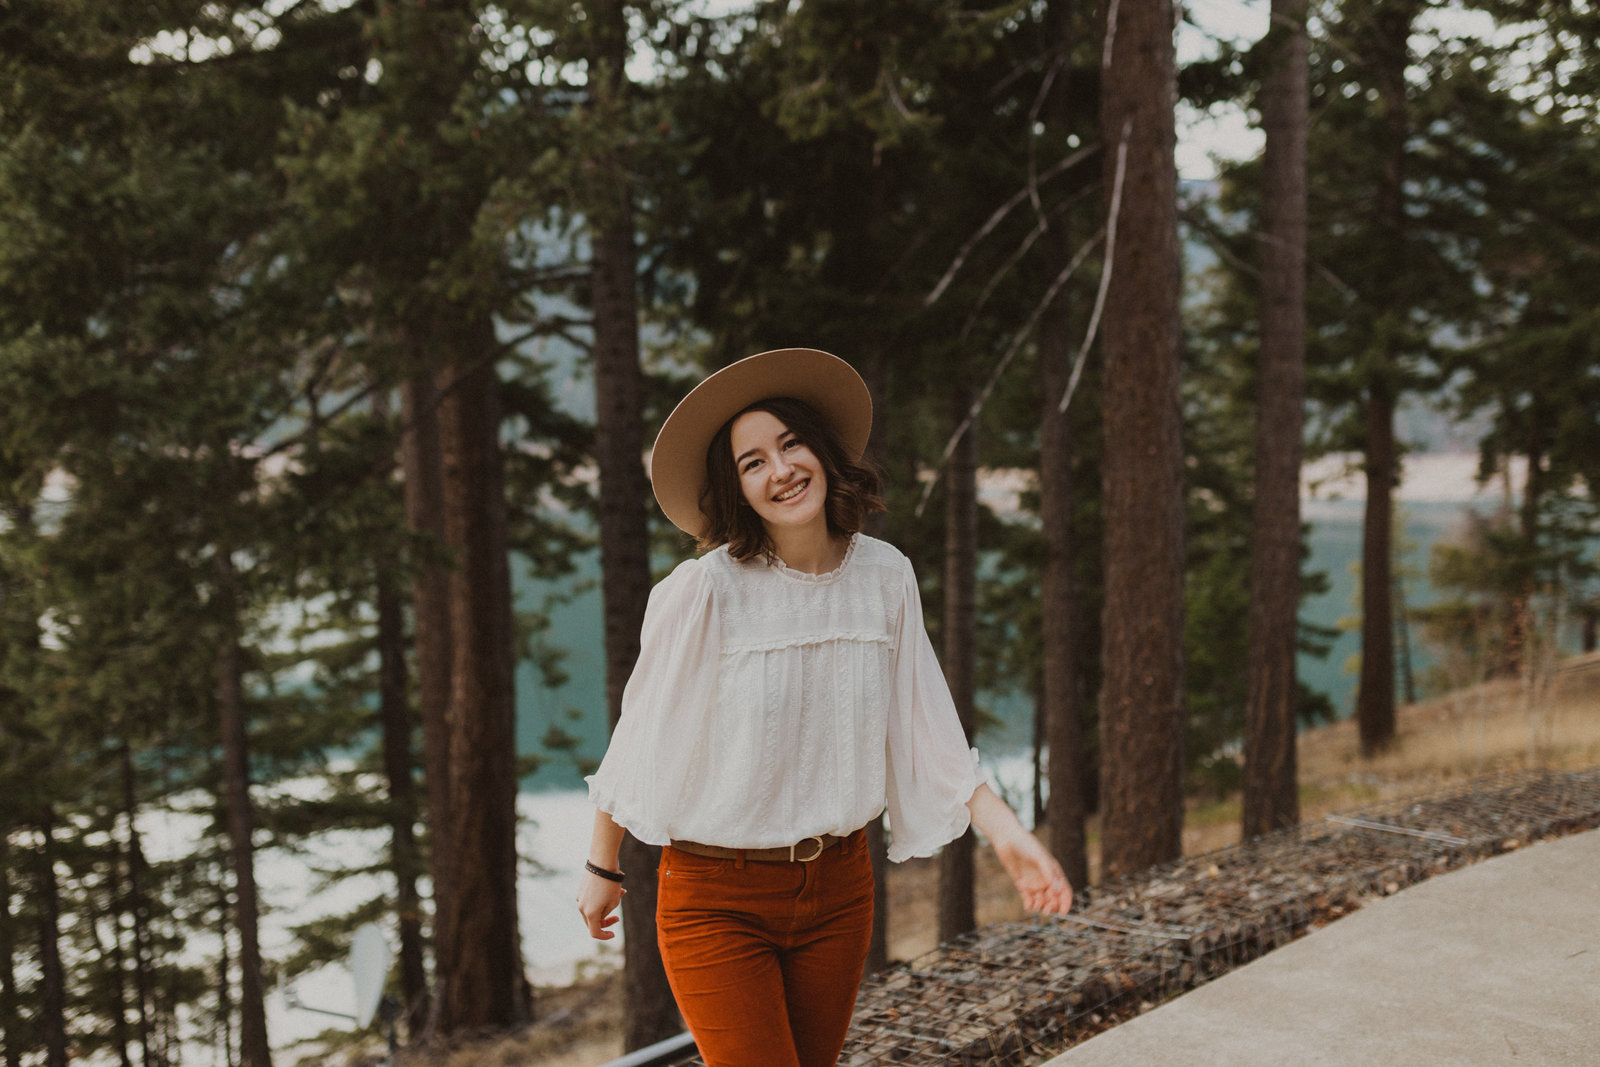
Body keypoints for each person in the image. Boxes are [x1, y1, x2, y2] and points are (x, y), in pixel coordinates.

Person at [577, 348, 1073, 1067]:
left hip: (840, 891)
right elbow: (640, 739)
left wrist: (1007, 835)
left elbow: (927, 727)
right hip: (717, 898)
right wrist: (602, 866)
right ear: (735, 487)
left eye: (789, 443)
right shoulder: (706, 591)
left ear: (821, 448)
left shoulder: (885, 576)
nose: (779, 470)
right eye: (752, 463)